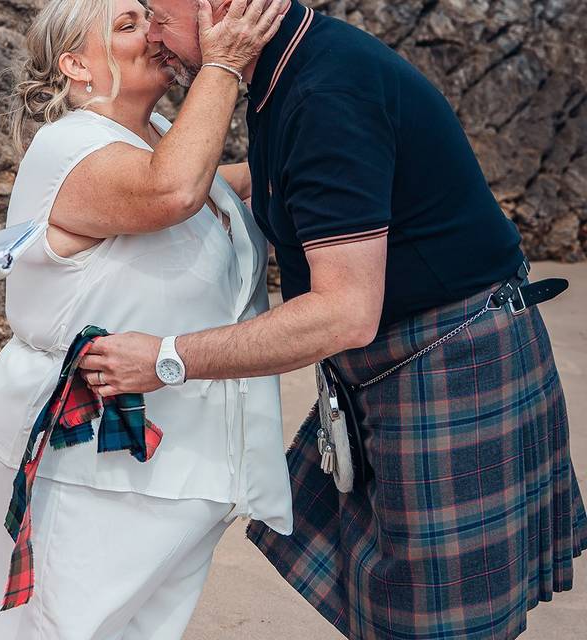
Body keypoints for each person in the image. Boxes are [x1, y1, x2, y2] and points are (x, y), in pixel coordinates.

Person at [82, 1, 587, 638]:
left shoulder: (325, 92)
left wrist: (166, 358)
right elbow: (273, 180)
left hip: (451, 359)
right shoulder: (293, 67)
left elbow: (343, 315)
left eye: (158, 13)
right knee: (405, 607)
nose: (153, 34)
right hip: (413, 356)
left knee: (437, 624)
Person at [0, 0, 293, 638]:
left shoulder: (164, 137)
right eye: (126, 25)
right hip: (94, 462)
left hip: (189, 465)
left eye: (150, 17)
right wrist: (223, 63)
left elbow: (211, 189)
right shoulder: (68, 148)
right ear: (75, 65)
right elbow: (169, 193)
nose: (153, 31)